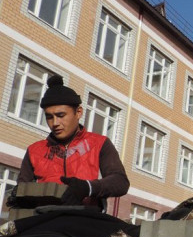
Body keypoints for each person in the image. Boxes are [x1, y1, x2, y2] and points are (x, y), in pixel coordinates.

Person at [13, 75, 129, 208]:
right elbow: (22, 188)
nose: (55, 123)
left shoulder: (99, 143)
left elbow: (120, 182)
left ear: (78, 112)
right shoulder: (34, 150)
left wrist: (87, 187)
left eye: (61, 115)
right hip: (45, 217)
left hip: (85, 217)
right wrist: (20, 197)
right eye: (49, 117)